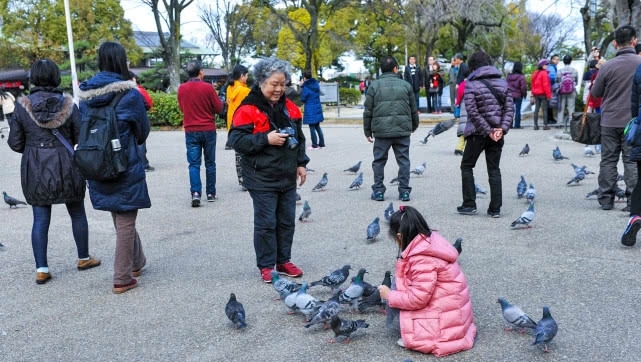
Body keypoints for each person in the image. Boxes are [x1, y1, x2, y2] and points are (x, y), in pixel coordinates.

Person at [8, 59, 101, 285]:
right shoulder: (69, 105)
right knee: (77, 212)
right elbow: (81, 137)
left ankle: (42, 269)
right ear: (56, 76)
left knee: (40, 218)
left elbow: (15, 142)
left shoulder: (22, 107)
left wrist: (33, 148)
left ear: (34, 78)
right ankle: (83, 257)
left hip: (36, 167)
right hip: (68, 164)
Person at [228, 57, 309, 283]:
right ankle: (266, 265)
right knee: (266, 223)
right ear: (262, 81)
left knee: (286, 221)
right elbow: (236, 140)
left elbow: (299, 139)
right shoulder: (248, 108)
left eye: (283, 84)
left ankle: (283, 260)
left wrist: (301, 163)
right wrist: (265, 139)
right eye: (274, 84)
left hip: (286, 175)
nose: (279, 89)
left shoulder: (291, 109)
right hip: (260, 175)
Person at [78, 42, 150, 294]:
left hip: (96, 162)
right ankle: (122, 278)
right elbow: (142, 132)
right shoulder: (130, 95)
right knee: (126, 218)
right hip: (123, 163)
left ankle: (137, 262)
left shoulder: (85, 96)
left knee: (121, 214)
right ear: (121, 62)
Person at [377, 206, 476, 356]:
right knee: (398, 284)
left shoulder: (422, 260)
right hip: (454, 318)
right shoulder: (431, 242)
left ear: (399, 236)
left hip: (445, 328)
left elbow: (417, 299)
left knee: (394, 290)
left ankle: (427, 337)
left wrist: (390, 296)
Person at [457, 51, 514, 217]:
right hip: (497, 134)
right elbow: (510, 109)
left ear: (473, 66)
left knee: (467, 166)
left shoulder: (471, 84)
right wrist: (500, 129)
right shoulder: (503, 83)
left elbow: (472, 112)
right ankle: (495, 209)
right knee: (494, 169)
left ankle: (469, 204)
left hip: (477, 133)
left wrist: (488, 131)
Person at [591, 25, 641, 211]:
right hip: (634, 122)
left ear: (614, 43)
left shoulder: (608, 66)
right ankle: (632, 201)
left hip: (609, 120)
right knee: (631, 161)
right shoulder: (639, 64)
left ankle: (605, 199)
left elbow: (596, 93)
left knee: (608, 160)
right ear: (634, 41)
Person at [364, 55, 419, 202]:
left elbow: (368, 110)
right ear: (395, 69)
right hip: (402, 130)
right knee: (404, 161)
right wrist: (414, 125)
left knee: (379, 161)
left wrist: (367, 131)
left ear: (382, 70)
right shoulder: (406, 85)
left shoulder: (374, 86)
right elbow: (413, 108)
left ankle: (378, 191)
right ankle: (404, 192)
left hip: (381, 131)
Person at [177, 60, 223, 207]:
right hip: (208, 128)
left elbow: (182, 108)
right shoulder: (208, 88)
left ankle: (195, 193)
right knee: (210, 163)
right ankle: (211, 193)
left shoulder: (182, 88)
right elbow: (218, 108)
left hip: (191, 130)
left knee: (193, 164)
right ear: (201, 72)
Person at [225, 64, 251, 190]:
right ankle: (248, 179)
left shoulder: (230, 88)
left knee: (238, 154)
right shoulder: (245, 91)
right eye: (246, 75)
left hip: (232, 124)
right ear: (242, 76)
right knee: (247, 153)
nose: (247, 78)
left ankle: (242, 179)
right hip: (244, 124)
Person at [129, 71, 155, 172]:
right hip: (138, 118)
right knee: (140, 142)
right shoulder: (137, 90)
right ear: (133, 79)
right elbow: (148, 103)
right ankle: (143, 164)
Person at [300, 70, 325, 150]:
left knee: (312, 127)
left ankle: (314, 145)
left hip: (310, 108)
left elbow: (303, 99)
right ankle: (322, 144)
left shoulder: (306, 87)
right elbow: (321, 93)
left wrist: (302, 86)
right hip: (317, 107)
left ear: (304, 78)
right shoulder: (316, 84)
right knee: (318, 126)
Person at [556, 55, 578, 127]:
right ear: (571, 61)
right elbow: (576, 82)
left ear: (563, 62)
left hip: (562, 91)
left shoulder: (560, 71)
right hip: (571, 91)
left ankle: (559, 123)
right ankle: (571, 123)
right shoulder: (574, 70)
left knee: (561, 107)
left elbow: (557, 80)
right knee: (571, 107)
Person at [530, 59, 552, 130]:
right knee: (545, 109)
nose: (547, 66)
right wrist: (549, 95)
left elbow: (533, 85)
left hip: (536, 94)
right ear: (542, 66)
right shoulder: (544, 73)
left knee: (536, 109)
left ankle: (535, 125)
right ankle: (545, 125)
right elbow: (546, 85)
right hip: (543, 94)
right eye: (546, 65)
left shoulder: (535, 73)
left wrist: (532, 93)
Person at [506, 62, 527, 129]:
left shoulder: (508, 76)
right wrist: (524, 95)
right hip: (518, 95)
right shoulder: (521, 77)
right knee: (518, 110)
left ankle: (510, 125)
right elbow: (523, 87)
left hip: (509, 95)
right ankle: (517, 125)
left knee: (510, 110)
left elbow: (506, 86)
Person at [454, 79, 468, 156]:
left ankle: (459, 148)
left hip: (463, 106)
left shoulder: (462, 84)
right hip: (470, 106)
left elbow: (458, 98)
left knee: (463, 128)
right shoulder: (474, 82)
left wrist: (458, 104)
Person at [547, 54, 560, 124]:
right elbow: (552, 77)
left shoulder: (552, 66)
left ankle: (550, 118)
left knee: (550, 103)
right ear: (552, 60)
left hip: (550, 87)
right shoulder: (551, 67)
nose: (557, 61)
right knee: (550, 103)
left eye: (558, 59)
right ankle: (550, 119)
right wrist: (556, 79)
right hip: (550, 87)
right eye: (556, 59)